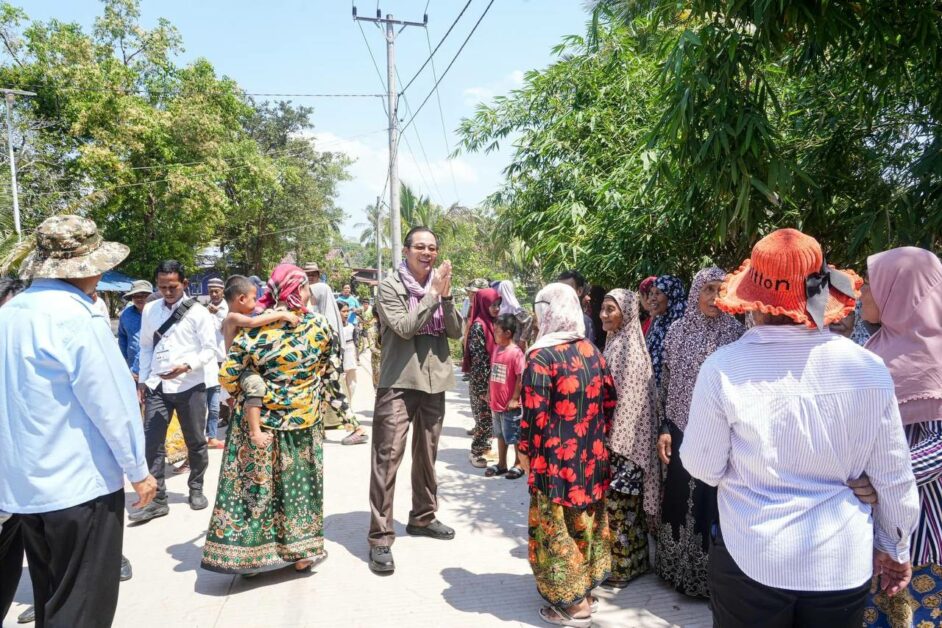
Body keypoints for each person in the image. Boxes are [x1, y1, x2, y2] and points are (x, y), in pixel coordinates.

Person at [680, 228, 920, 627]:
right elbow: (894, 476)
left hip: (752, 554)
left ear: (754, 300)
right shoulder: (867, 368)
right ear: (821, 294)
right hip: (840, 562)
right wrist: (894, 546)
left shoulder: (723, 368)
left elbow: (703, 467)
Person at [0, 215, 156, 627]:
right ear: (83, 268)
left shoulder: (9, 315)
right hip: (79, 487)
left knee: (52, 600)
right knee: (82, 610)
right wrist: (138, 471)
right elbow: (113, 403)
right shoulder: (77, 318)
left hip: (25, 491)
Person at [202, 265, 357, 575]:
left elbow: (228, 375)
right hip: (304, 423)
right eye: (305, 288)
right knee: (300, 492)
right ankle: (302, 555)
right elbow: (330, 374)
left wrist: (251, 388)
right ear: (296, 290)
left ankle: (248, 560)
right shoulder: (319, 327)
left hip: (258, 425)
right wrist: (346, 415)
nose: (309, 293)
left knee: (255, 493)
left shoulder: (255, 327)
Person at [517, 283, 617, 627]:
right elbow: (610, 402)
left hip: (555, 464)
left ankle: (574, 607)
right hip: (591, 457)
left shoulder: (541, 357)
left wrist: (525, 453)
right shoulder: (591, 351)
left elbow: (533, 416)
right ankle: (585, 592)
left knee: (556, 529)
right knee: (586, 522)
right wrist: (591, 437)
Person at [368, 226, 462, 574]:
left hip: (434, 381)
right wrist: (433, 295)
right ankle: (380, 537)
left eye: (432, 248)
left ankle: (423, 517)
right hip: (398, 382)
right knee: (387, 458)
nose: (427, 253)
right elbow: (405, 327)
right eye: (420, 247)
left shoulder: (438, 286)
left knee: (427, 456)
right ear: (406, 251)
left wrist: (446, 298)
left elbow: (455, 332)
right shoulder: (389, 287)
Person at [861, 246, 942, 626]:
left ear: (898, 292)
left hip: (923, 531)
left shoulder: (935, 359)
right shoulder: (875, 349)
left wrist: (879, 479)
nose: (863, 291)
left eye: (871, 284)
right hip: (874, 525)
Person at [653, 267, 744, 598]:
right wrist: (664, 427)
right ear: (695, 293)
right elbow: (665, 384)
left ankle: (709, 578)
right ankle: (674, 569)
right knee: (679, 497)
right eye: (707, 289)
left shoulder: (736, 334)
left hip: (721, 434)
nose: (714, 297)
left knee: (712, 502)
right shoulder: (677, 332)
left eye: (721, 290)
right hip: (680, 428)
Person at [130, 260, 218, 523]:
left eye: (172, 287)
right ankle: (157, 499)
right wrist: (143, 380)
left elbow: (210, 349)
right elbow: (146, 346)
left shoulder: (198, 312)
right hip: (157, 385)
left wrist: (187, 366)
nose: (167, 292)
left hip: (190, 385)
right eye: (162, 287)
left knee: (196, 441)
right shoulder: (151, 309)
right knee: (152, 441)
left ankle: (196, 488)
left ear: (184, 284)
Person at [598, 288, 659, 588]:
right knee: (624, 507)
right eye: (603, 308)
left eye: (611, 309)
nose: (603, 315)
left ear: (627, 312)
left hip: (626, 444)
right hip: (620, 441)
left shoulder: (628, 350)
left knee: (620, 506)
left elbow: (629, 405)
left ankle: (623, 569)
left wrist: (613, 444)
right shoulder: (616, 342)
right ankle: (635, 563)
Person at [308, 282, 367, 443]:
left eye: (312, 296)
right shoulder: (325, 318)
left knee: (335, 398)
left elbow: (329, 349)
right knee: (322, 398)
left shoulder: (326, 321)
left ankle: (358, 429)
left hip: (327, 368)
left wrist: (322, 366)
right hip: (326, 368)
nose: (310, 299)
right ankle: (318, 431)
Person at [485, 314, 526, 479]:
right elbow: (493, 371)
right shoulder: (497, 349)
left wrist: (515, 398)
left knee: (514, 435)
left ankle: (519, 464)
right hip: (496, 403)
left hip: (510, 406)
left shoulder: (516, 353)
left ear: (508, 333)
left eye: (497, 331)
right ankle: (502, 463)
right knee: (500, 434)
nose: (494, 334)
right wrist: (489, 391)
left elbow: (520, 377)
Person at [464, 287, 501, 468]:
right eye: (493, 305)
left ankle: (486, 448)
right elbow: (479, 361)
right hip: (482, 381)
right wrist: (484, 389)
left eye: (498, 305)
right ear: (484, 304)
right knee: (484, 418)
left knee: (489, 418)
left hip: (492, 380)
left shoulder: (493, 323)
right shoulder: (479, 326)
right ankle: (476, 452)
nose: (496, 308)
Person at [644, 275, 686, 387]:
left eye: (658, 293)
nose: (652, 299)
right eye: (651, 293)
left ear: (671, 296)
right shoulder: (657, 322)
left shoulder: (682, 326)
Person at [205, 277, 227, 449]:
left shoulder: (227, 308)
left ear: (222, 292)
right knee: (213, 399)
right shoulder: (204, 310)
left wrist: (217, 313)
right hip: (209, 359)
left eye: (216, 291)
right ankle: (211, 434)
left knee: (227, 396)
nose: (213, 294)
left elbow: (227, 327)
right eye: (211, 291)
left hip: (224, 358)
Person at [118, 280, 152, 372]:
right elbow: (122, 337)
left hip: (153, 366)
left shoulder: (158, 313)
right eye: (136, 296)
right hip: (131, 366)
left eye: (144, 295)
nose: (140, 299)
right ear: (132, 298)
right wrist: (124, 360)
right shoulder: (125, 314)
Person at [557, 270, 595, 345]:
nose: (561, 293)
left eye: (567, 289)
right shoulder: (550, 319)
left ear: (579, 291)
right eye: (559, 290)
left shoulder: (585, 322)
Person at [496, 279, 534, 348]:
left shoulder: (513, 307)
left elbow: (529, 319)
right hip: (503, 344)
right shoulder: (500, 306)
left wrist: (522, 340)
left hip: (515, 345)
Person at [338, 301, 359, 401]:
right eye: (343, 311)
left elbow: (355, 343)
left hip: (351, 358)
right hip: (341, 359)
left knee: (352, 384)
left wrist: (356, 357)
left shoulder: (351, 326)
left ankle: (350, 402)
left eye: (347, 311)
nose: (346, 314)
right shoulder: (335, 328)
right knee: (342, 384)